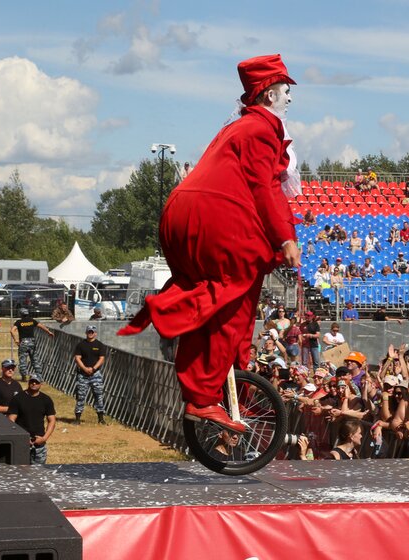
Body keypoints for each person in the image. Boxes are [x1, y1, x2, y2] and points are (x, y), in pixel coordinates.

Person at [118, 54, 300, 433]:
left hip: (180, 212)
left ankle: (220, 371)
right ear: (268, 95)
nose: (290, 99)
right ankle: (202, 397)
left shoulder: (234, 128)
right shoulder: (261, 130)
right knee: (234, 297)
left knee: (214, 295)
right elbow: (265, 188)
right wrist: (285, 237)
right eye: (286, 91)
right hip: (212, 216)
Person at [7, 374, 56, 465]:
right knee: (19, 473)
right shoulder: (17, 398)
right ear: (28, 382)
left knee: (39, 474)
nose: (34, 383)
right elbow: (11, 420)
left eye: (36, 382)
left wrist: (44, 438)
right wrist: (22, 437)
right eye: (32, 381)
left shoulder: (46, 399)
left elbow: (52, 420)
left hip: (39, 445)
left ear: (41, 384)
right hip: (21, 444)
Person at [73, 325, 108, 425]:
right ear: (86, 333)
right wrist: (84, 368)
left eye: (92, 332)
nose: (90, 333)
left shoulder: (100, 345)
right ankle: (77, 419)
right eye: (89, 332)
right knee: (80, 396)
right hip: (82, 375)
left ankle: (101, 418)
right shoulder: (81, 345)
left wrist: (93, 369)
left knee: (98, 396)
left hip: (95, 374)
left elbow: (102, 359)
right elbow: (77, 358)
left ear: (95, 333)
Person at [11, 309, 56, 381]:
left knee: (23, 360)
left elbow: (12, 330)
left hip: (23, 342)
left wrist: (16, 340)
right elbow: (41, 326)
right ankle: (39, 376)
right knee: (35, 359)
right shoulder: (32, 321)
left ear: (21, 314)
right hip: (32, 342)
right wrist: (48, 332)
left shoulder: (19, 322)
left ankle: (24, 376)